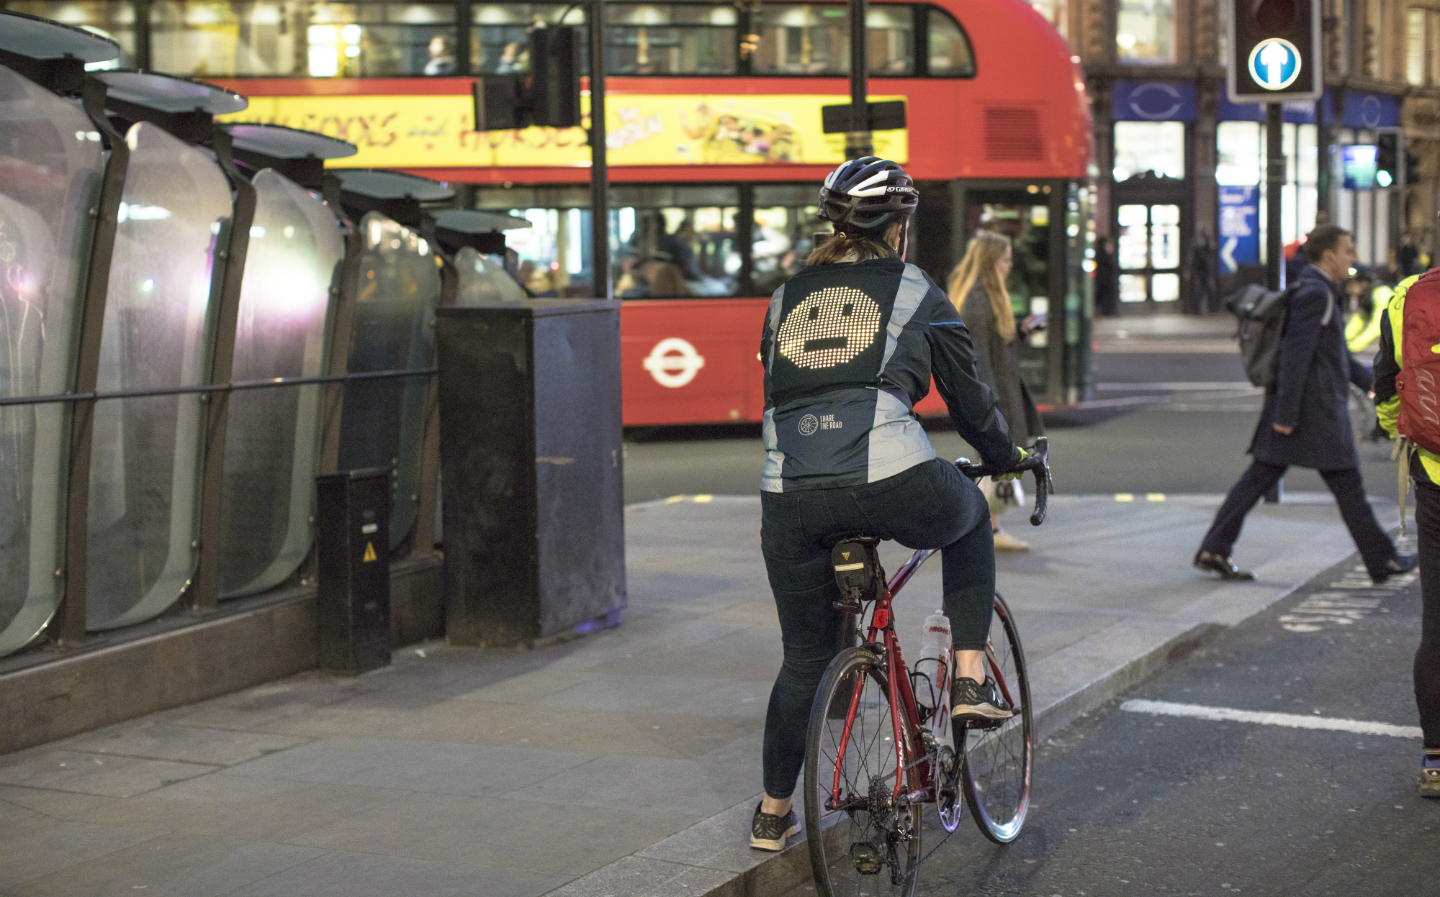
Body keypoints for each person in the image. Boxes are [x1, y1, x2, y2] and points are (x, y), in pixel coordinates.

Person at [751, 156, 1028, 851]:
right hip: (891, 474)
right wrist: (1003, 457)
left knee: (804, 656)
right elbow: (970, 401)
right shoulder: (913, 288)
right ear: (900, 226)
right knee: (967, 514)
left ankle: (771, 812)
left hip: (790, 491)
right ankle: (968, 677)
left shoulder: (786, 295)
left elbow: (779, 385)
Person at [1194, 225, 1416, 583]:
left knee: (1259, 479)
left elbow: (1336, 355)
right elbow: (1296, 357)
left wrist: (1376, 385)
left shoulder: (1321, 291)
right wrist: (1284, 415)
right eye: (1347, 251)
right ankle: (1382, 559)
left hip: (1304, 409)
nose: (1352, 258)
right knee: (1345, 484)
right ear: (1328, 256)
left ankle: (1215, 547)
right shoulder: (1316, 294)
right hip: (1313, 411)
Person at [1372, 266, 1440, 796]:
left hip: (1434, 474)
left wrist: (1403, 430)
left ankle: (1435, 757)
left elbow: (1385, 385)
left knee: (1436, 622)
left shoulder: (1406, 296)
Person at [947, 230, 1045, 552]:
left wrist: (1020, 328)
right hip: (995, 393)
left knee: (996, 465)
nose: (1010, 264)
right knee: (995, 464)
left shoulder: (983, 296)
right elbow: (977, 358)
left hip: (997, 390)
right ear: (991, 261)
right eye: (1005, 258)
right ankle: (987, 530)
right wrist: (992, 407)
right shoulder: (978, 301)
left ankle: (990, 527)